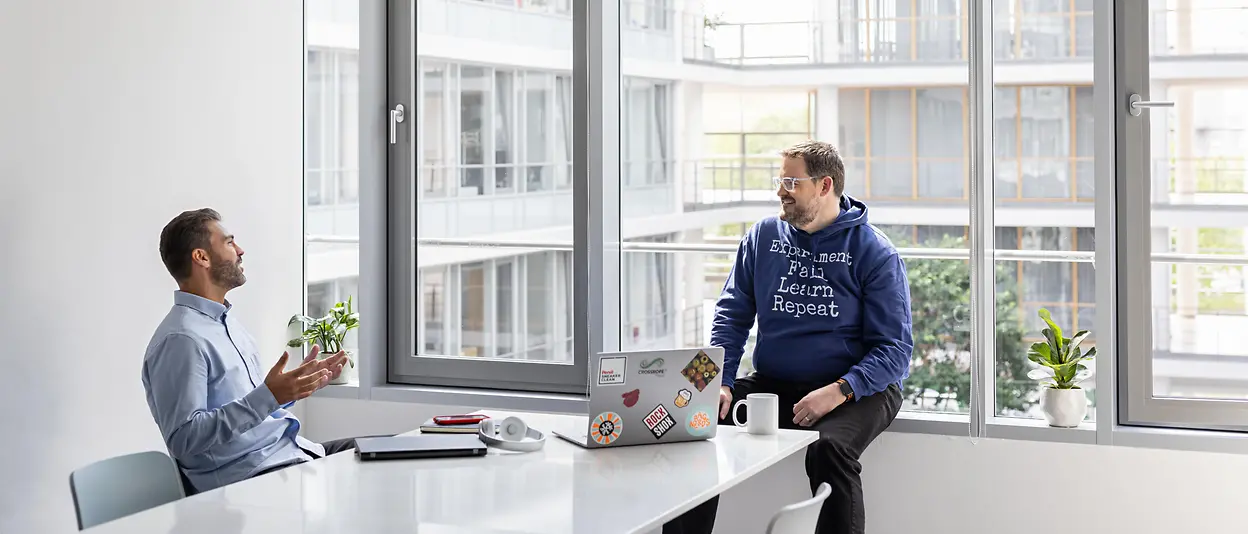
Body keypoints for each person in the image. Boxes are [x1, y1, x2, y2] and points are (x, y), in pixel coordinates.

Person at [664, 141, 911, 534]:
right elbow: (730, 317)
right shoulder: (762, 236)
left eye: (791, 182)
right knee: (693, 417)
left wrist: (839, 390)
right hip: (776, 384)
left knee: (829, 450)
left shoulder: (875, 252)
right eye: (781, 181)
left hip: (858, 390)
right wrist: (719, 382)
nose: (781, 191)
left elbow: (896, 350)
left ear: (824, 185)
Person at [142, 208, 359, 494]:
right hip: (250, 479)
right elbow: (184, 438)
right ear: (201, 257)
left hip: (288, 454)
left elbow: (247, 407)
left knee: (389, 455)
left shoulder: (226, 323)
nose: (240, 250)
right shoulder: (181, 339)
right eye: (230, 242)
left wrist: (289, 390)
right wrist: (269, 396)